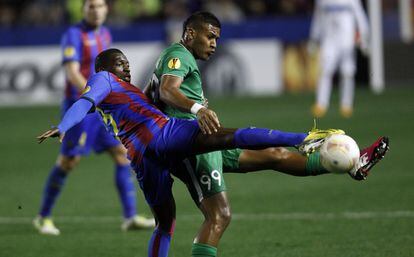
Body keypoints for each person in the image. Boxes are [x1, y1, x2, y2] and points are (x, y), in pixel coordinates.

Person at [37, 48, 389, 257]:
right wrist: (65, 125)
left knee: (166, 222)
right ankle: (307, 136)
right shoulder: (104, 80)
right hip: (164, 137)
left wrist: (149, 91)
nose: (125, 67)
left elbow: (135, 100)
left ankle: (347, 163)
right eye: (120, 63)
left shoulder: (128, 92)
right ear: (107, 68)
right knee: (226, 137)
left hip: (143, 159)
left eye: (127, 63)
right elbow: (85, 101)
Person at [144, 11, 388, 257]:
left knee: (275, 155)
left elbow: (147, 97)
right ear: (190, 33)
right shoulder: (178, 55)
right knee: (219, 215)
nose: (214, 44)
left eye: (217, 39)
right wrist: (197, 109)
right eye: (210, 37)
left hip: (205, 140)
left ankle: (354, 163)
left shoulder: (174, 57)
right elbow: (166, 90)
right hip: (192, 147)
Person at [33, 0, 154, 236]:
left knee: (121, 154)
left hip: (101, 107)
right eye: (91, 6)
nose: (96, 10)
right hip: (81, 107)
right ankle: (43, 217)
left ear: (106, 10)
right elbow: (72, 72)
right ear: (83, 9)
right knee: (69, 162)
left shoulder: (105, 34)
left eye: (100, 6)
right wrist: (93, 97)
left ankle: (130, 217)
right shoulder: (73, 34)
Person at [309, 0, 370, 118]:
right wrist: (314, 38)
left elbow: (360, 17)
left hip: (346, 42)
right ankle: (321, 104)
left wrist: (364, 38)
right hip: (329, 41)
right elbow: (317, 19)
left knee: (347, 73)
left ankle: (346, 105)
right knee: (325, 71)